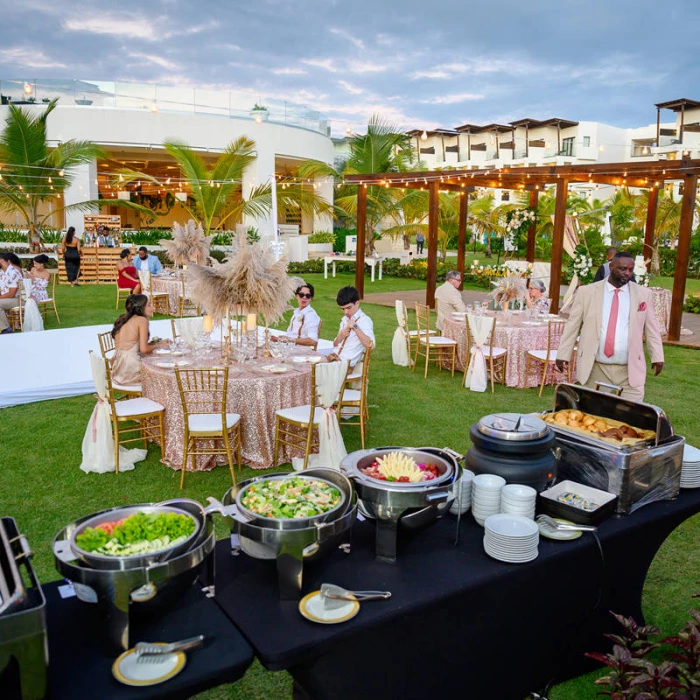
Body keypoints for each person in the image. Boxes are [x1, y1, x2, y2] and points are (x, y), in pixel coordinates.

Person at [556, 252, 664, 402]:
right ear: (611, 266)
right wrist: (563, 354)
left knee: (630, 418)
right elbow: (572, 326)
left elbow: (652, 329)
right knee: (592, 416)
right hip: (595, 368)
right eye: (623, 269)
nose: (627, 273)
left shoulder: (643, 294)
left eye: (630, 270)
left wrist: (657, 356)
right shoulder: (586, 292)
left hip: (630, 370)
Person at [110, 295, 166, 385]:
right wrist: (160, 346)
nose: (152, 308)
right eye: (149, 305)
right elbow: (144, 349)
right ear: (140, 307)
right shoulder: (142, 320)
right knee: (163, 373)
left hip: (118, 368)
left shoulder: (123, 319)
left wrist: (158, 343)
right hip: (131, 368)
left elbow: (134, 345)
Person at [333, 286, 375, 367]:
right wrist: (341, 335)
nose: (345, 312)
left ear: (357, 303)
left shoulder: (364, 320)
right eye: (342, 309)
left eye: (348, 308)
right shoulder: (345, 319)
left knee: (313, 371)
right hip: (334, 357)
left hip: (345, 365)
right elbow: (335, 344)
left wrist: (355, 327)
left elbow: (371, 346)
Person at [272, 283, 320, 347]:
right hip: (290, 347)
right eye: (301, 295)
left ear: (311, 298)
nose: (304, 298)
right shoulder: (296, 312)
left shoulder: (311, 316)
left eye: (308, 296)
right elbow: (291, 335)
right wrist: (279, 339)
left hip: (300, 351)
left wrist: (289, 339)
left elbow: (313, 341)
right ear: (296, 296)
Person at [0, 253, 21, 334]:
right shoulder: (1, 272)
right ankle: (5, 328)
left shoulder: (12, 272)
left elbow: (12, 294)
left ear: (1, 261)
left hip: (17, 299)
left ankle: (6, 329)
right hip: (7, 299)